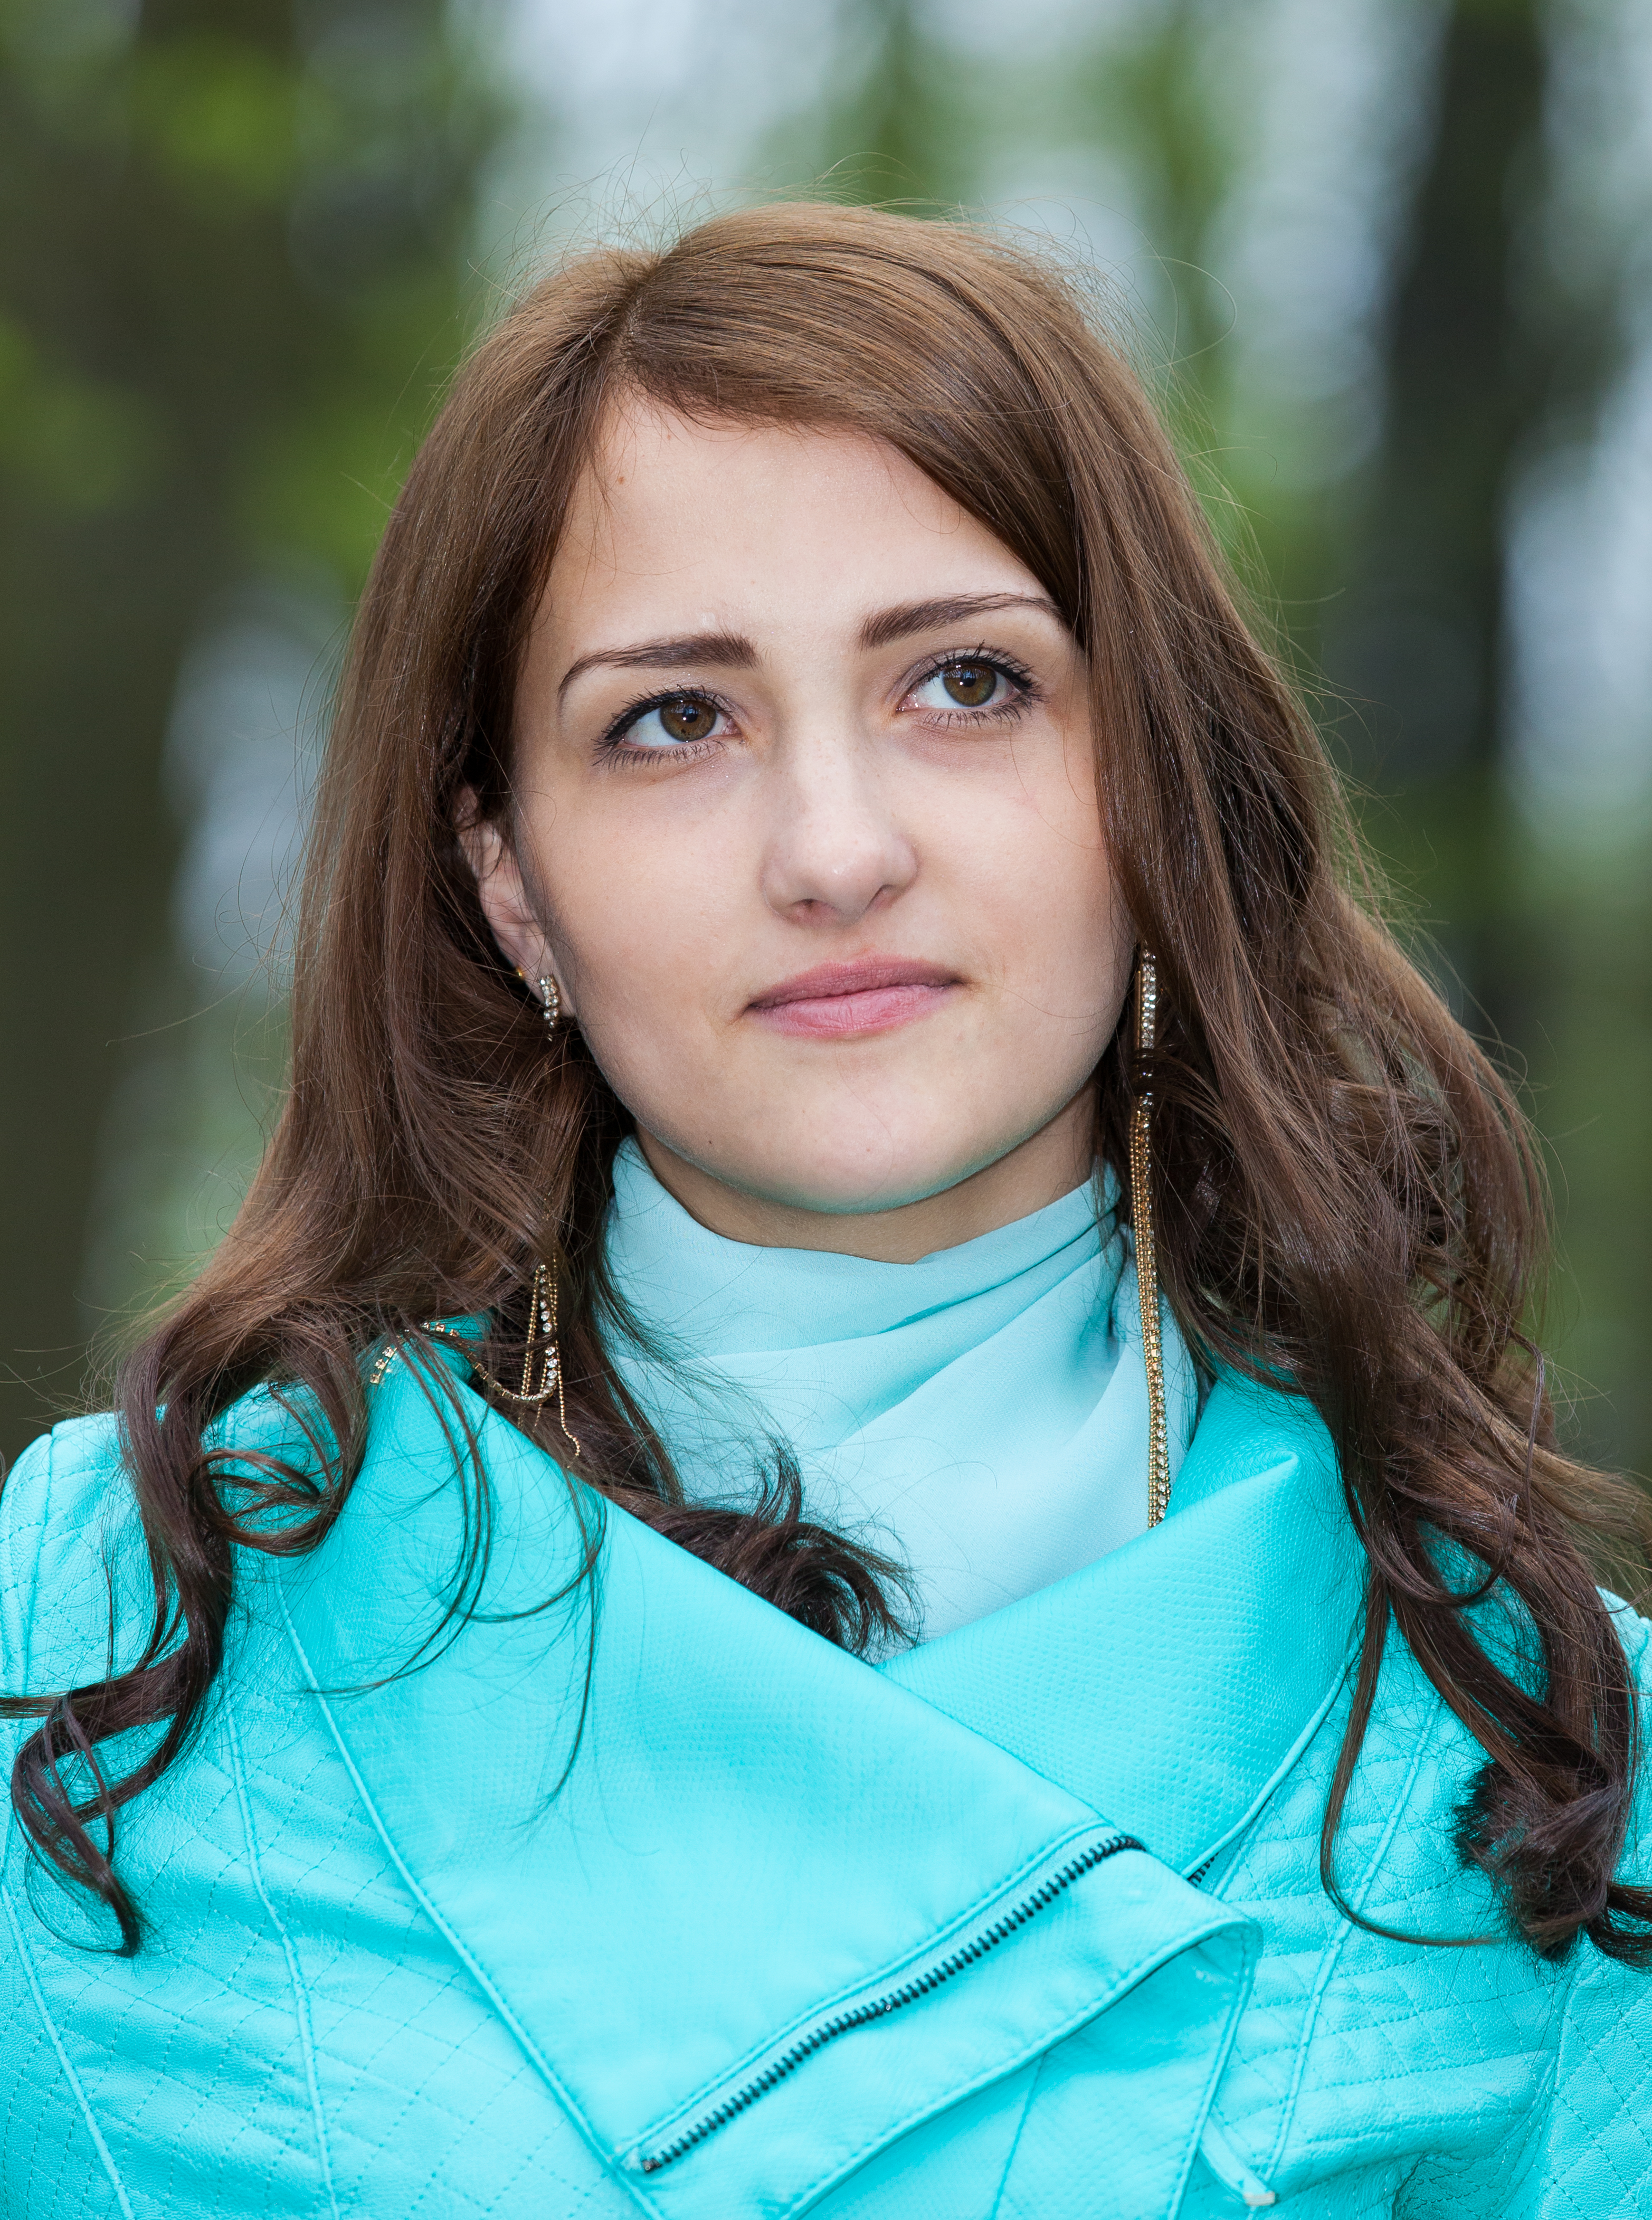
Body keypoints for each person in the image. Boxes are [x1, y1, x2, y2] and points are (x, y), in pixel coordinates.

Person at [3, 203, 1649, 2220]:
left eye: (965, 684)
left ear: (1151, 791)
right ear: (510, 879)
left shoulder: (1541, 1741)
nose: (835, 848)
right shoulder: (110, 1637)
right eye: (673, 721)